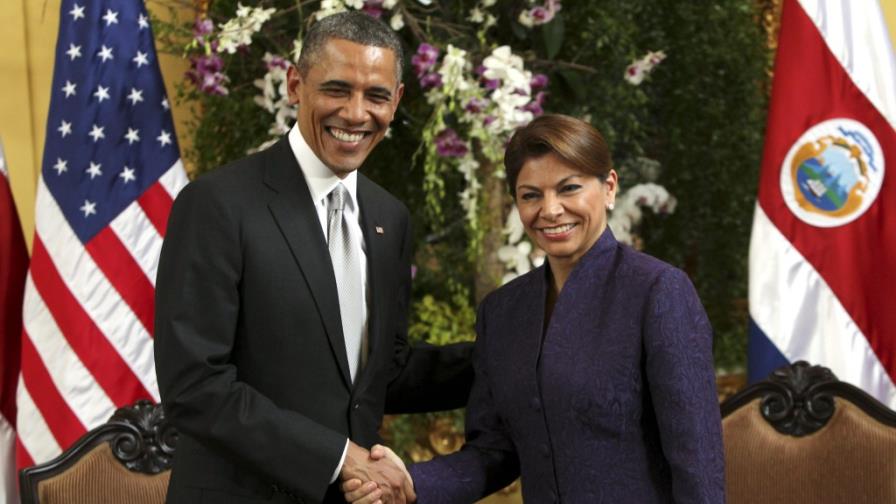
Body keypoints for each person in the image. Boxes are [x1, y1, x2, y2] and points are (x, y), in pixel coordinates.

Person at [154, 11, 473, 504]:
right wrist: (338, 456)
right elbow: (195, 386)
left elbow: (378, 373)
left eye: (376, 96)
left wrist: (517, 355)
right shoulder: (217, 204)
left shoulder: (390, 217)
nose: (355, 113)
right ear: (295, 84)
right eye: (337, 90)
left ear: (398, 101)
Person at [344, 114, 725, 503]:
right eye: (531, 195)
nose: (551, 210)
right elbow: (494, 451)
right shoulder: (502, 311)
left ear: (609, 187)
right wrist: (407, 482)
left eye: (569, 188)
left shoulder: (659, 291)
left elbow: (697, 464)